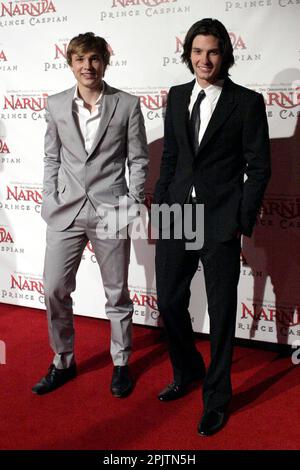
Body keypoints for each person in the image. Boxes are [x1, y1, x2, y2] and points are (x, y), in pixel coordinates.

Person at [154, 18, 270, 435]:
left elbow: (259, 168)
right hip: (175, 213)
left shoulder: (247, 102)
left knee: (222, 313)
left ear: (225, 55)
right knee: (168, 301)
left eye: (213, 51)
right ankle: (188, 370)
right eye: (197, 51)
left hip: (220, 219)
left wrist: (240, 219)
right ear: (188, 54)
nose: (204, 59)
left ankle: (217, 397)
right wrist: (161, 204)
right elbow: (170, 157)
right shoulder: (177, 96)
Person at [32, 32, 148, 397]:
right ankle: (63, 360)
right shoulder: (55, 105)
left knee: (116, 293)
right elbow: (51, 156)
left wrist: (132, 201)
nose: (88, 66)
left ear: (104, 62)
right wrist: (49, 196)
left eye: (94, 58)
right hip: (65, 211)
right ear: (70, 63)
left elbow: (139, 159)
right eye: (80, 59)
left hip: (111, 209)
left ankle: (120, 362)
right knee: (54, 288)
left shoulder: (127, 105)